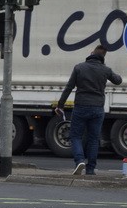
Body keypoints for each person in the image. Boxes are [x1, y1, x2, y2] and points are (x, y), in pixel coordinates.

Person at [52, 44, 122, 176]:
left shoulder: (79, 68)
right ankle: (90, 169)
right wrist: (106, 67)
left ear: (91, 53)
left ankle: (79, 160)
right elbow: (118, 80)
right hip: (97, 109)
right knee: (93, 139)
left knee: (75, 136)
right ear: (103, 56)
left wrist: (60, 105)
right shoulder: (105, 70)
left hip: (81, 107)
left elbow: (69, 87)